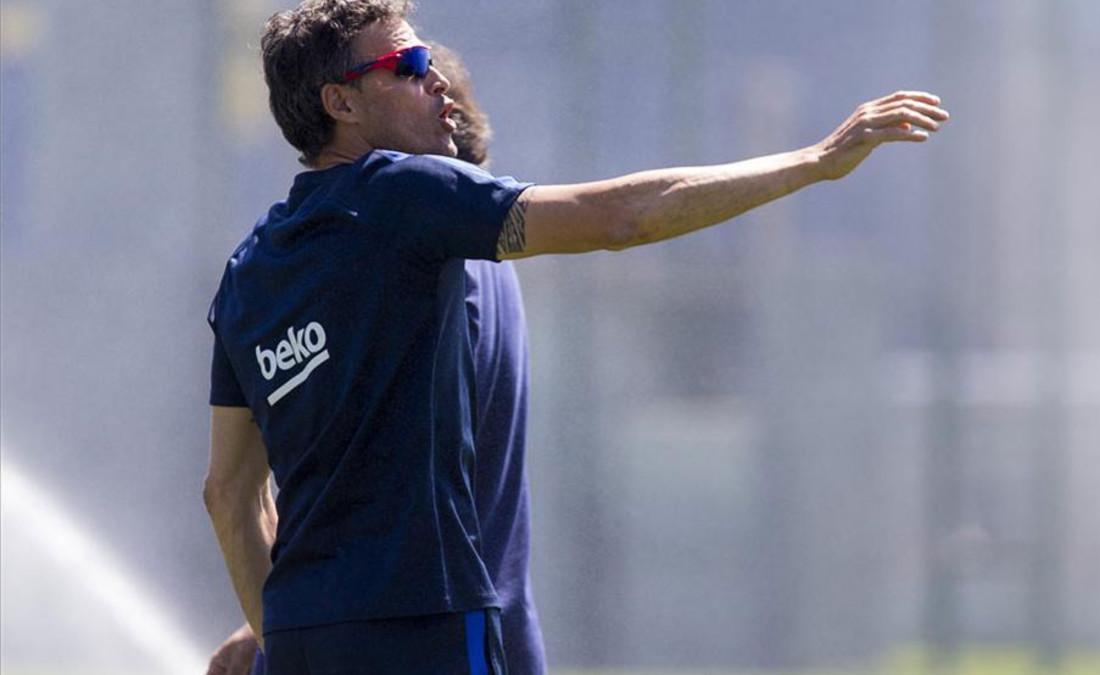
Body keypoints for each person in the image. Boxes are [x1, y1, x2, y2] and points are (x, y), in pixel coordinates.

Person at [202, 0, 948, 672]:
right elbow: (624, 217)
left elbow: (229, 493)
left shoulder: (247, 272)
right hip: (424, 628)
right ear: (341, 103)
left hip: (304, 632)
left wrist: (279, 632)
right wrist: (814, 162)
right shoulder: (400, 194)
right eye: (410, 65)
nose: (434, 81)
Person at [205, 41, 546, 675]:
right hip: (474, 631)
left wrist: (282, 622)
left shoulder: (432, 274)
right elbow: (383, 482)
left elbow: (345, 486)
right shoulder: (474, 274)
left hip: (423, 637)